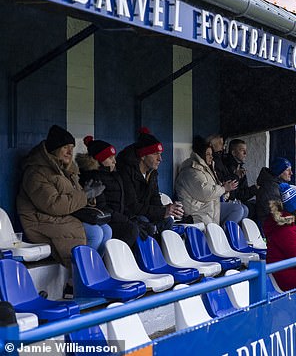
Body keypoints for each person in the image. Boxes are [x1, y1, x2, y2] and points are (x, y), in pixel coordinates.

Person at [17, 125, 107, 297]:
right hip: (40, 221)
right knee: (95, 233)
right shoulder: (36, 172)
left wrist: (89, 195)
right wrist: (84, 195)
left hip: (60, 217)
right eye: (65, 147)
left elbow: (74, 198)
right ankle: (79, 284)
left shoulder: (67, 170)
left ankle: (86, 278)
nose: (69, 152)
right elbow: (54, 205)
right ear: (53, 149)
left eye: (72, 148)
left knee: (106, 230)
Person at [117, 127, 184, 238]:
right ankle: (144, 254)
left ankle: (161, 253)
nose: (160, 159)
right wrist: (162, 211)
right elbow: (132, 206)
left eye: (160, 154)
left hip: (145, 213)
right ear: (143, 156)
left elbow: (155, 198)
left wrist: (167, 210)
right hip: (129, 216)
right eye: (155, 154)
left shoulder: (152, 173)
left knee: (167, 221)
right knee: (145, 222)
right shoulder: (126, 172)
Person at [76, 136, 136, 247]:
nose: (114, 161)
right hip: (106, 219)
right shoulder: (92, 177)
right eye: (110, 158)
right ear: (100, 159)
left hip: (117, 218)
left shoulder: (115, 175)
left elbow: (122, 202)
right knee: (130, 229)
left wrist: (129, 217)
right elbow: (101, 207)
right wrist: (125, 219)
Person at [174, 136, 239, 226]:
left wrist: (225, 190)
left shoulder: (205, 169)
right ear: (201, 154)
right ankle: (223, 235)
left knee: (242, 208)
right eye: (208, 154)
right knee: (237, 209)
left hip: (209, 207)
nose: (211, 157)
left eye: (211, 154)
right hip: (197, 212)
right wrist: (223, 188)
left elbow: (213, 189)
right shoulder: (190, 170)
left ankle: (222, 236)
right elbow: (204, 193)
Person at [222, 139, 258, 216]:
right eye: (242, 150)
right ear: (233, 153)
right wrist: (236, 176)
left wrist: (254, 189)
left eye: (245, 150)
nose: (245, 153)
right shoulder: (224, 166)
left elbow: (241, 195)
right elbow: (231, 194)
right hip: (223, 203)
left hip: (237, 202)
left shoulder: (240, 168)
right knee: (243, 209)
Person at [255, 157, 293, 225]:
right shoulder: (271, 188)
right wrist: (294, 219)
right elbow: (276, 215)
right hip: (270, 226)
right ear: (279, 172)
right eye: (288, 170)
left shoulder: (278, 185)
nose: (291, 173)